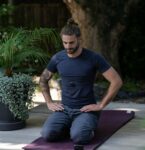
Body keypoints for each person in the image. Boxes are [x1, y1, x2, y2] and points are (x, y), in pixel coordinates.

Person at [39, 18, 123, 149]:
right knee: (47, 134)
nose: (68, 46)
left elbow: (116, 81)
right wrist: (49, 102)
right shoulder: (58, 58)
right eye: (65, 43)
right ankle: (72, 126)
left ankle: (83, 127)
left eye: (71, 43)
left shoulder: (94, 58)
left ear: (80, 39)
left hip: (86, 110)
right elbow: (43, 79)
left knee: (79, 137)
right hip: (64, 109)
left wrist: (101, 105)